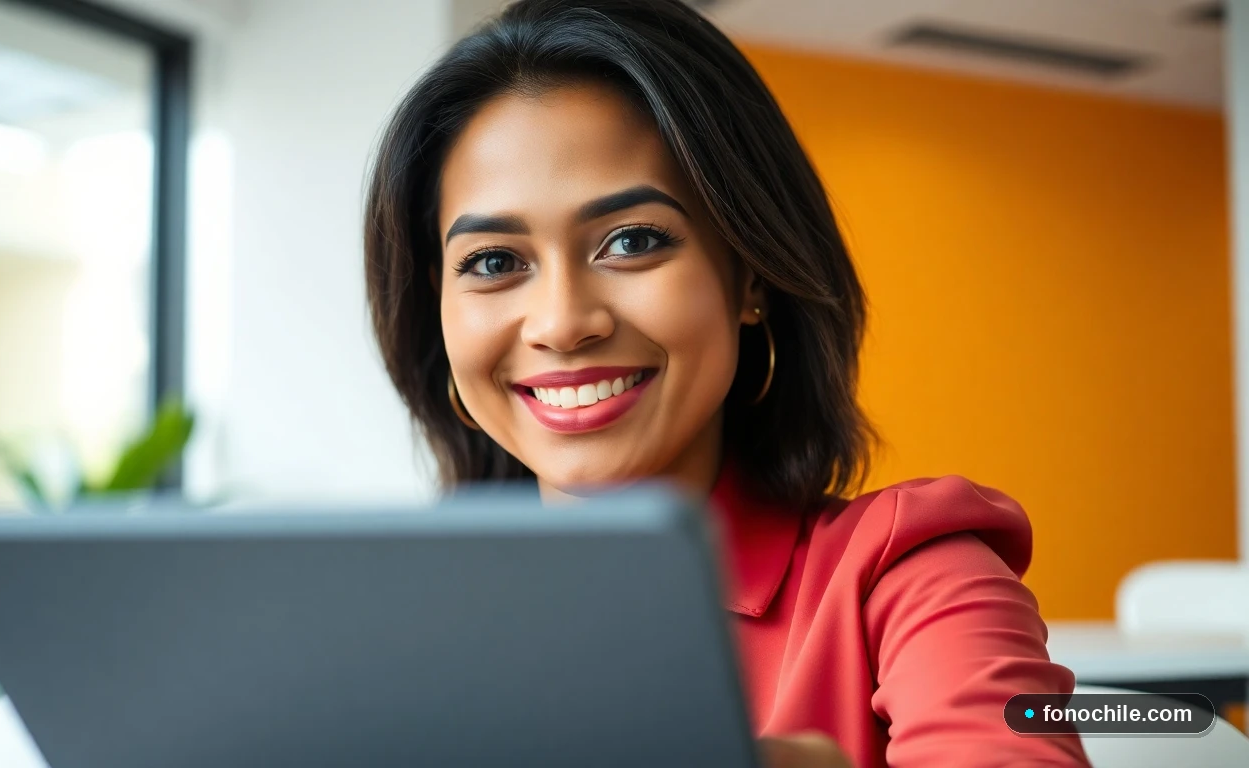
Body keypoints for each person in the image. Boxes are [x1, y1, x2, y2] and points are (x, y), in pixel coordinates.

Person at [363, 0, 1091, 766]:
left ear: (750, 276)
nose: (562, 322)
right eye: (493, 261)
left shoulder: (911, 575)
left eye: (632, 241)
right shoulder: (402, 631)